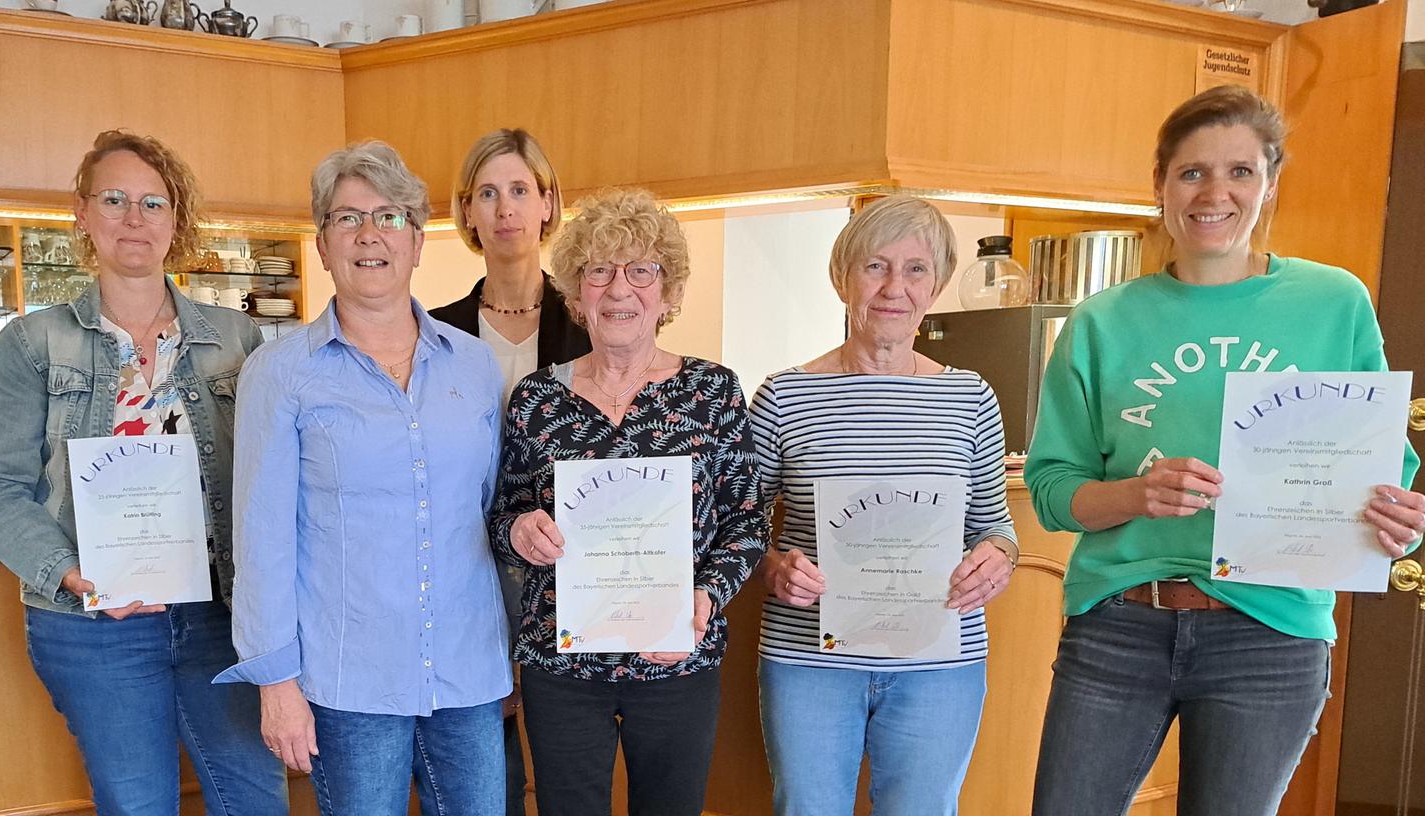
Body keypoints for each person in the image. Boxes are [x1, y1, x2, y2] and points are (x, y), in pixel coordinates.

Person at [1025, 84, 1425, 815]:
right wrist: (1134, 495)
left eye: (1241, 171)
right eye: (1192, 172)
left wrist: (1393, 521)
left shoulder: (1334, 303)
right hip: (1119, 625)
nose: (1216, 192)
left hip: (1271, 635)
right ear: (1160, 186)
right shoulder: (1101, 323)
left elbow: (1379, 463)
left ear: (1269, 184)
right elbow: (1053, 488)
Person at [0, 130, 287, 815]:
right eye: (113, 199)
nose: (134, 218)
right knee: (138, 804)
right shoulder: (32, 342)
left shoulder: (235, 337)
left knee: (256, 799)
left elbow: (269, 478)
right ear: (82, 213)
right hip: (92, 626)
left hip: (220, 615)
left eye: (153, 202)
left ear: (176, 219)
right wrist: (67, 572)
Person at [214, 141, 511, 815]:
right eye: (347, 218)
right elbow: (260, 541)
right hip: (348, 683)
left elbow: (492, 513)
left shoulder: (474, 365)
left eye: (391, 216)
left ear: (416, 243)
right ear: (321, 244)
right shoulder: (282, 373)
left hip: (467, 671)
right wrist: (276, 683)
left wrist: (512, 654)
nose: (370, 235)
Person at [489, 187, 767, 816]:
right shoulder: (538, 399)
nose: (619, 289)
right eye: (599, 271)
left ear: (668, 293)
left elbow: (746, 521)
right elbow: (501, 513)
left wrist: (704, 597)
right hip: (562, 666)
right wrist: (520, 531)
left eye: (642, 271)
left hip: (676, 658)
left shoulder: (712, 392)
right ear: (576, 293)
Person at [748, 194, 1018, 816]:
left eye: (916, 269)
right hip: (810, 658)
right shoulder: (785, 395)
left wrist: (999, 558)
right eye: (875, 266)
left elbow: (995, 527)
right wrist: (773, 566)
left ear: (937, 284)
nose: (895, 287)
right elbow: (741, 526)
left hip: (938, 658)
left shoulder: (970, 399)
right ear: (844, 278)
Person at [428, 128, 590, 814]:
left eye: (520, 191)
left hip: (566, 572)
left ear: (550, 204)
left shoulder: (592, 325)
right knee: (479, 771)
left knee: (560, 770)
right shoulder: (432, 332)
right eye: (486, 194)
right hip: (461, 568)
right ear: (466, 212)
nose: (505, 210)